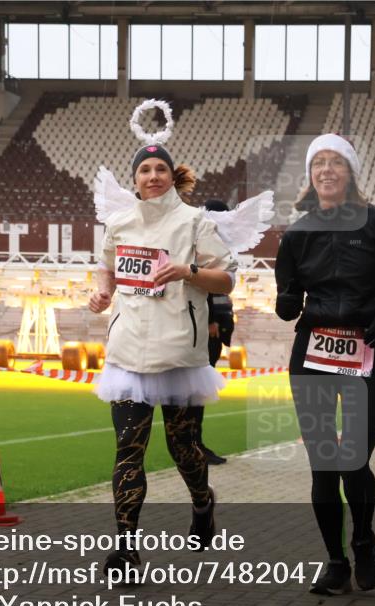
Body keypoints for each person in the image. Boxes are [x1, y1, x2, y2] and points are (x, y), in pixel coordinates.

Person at [275, 133, 375, 595]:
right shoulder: (296, 233)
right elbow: (288, 294)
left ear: (350, 172)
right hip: (314, 352)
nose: (326, 170)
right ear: (309, 176)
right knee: (323, 464)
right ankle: (335, 561)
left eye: (335, 162)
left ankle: (363, 540)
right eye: (318, 163)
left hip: (368, 350)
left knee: (352, 458)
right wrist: (285, 299)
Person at [89, 126, 238, 573]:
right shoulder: (118, 224)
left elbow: (226, 279)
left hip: (178, 352)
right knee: (128, 450)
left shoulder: (195, 222)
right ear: (134, 178)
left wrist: (188, 271)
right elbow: (106, 270)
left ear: (173, 176)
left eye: (160, 169)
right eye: (144, 169)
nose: (152, 175)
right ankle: (127, 549)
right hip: (128, 351)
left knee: (183, 449)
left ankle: (200, 500)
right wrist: (100, 294)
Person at [188, 198, 238, 465]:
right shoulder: (202, 243)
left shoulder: (216, 244)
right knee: (195, 393)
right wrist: (209, 320)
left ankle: (194, 444)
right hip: (204, 331)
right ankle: (193, 446)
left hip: (212, 331)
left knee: (198, 393)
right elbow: (200, 282)